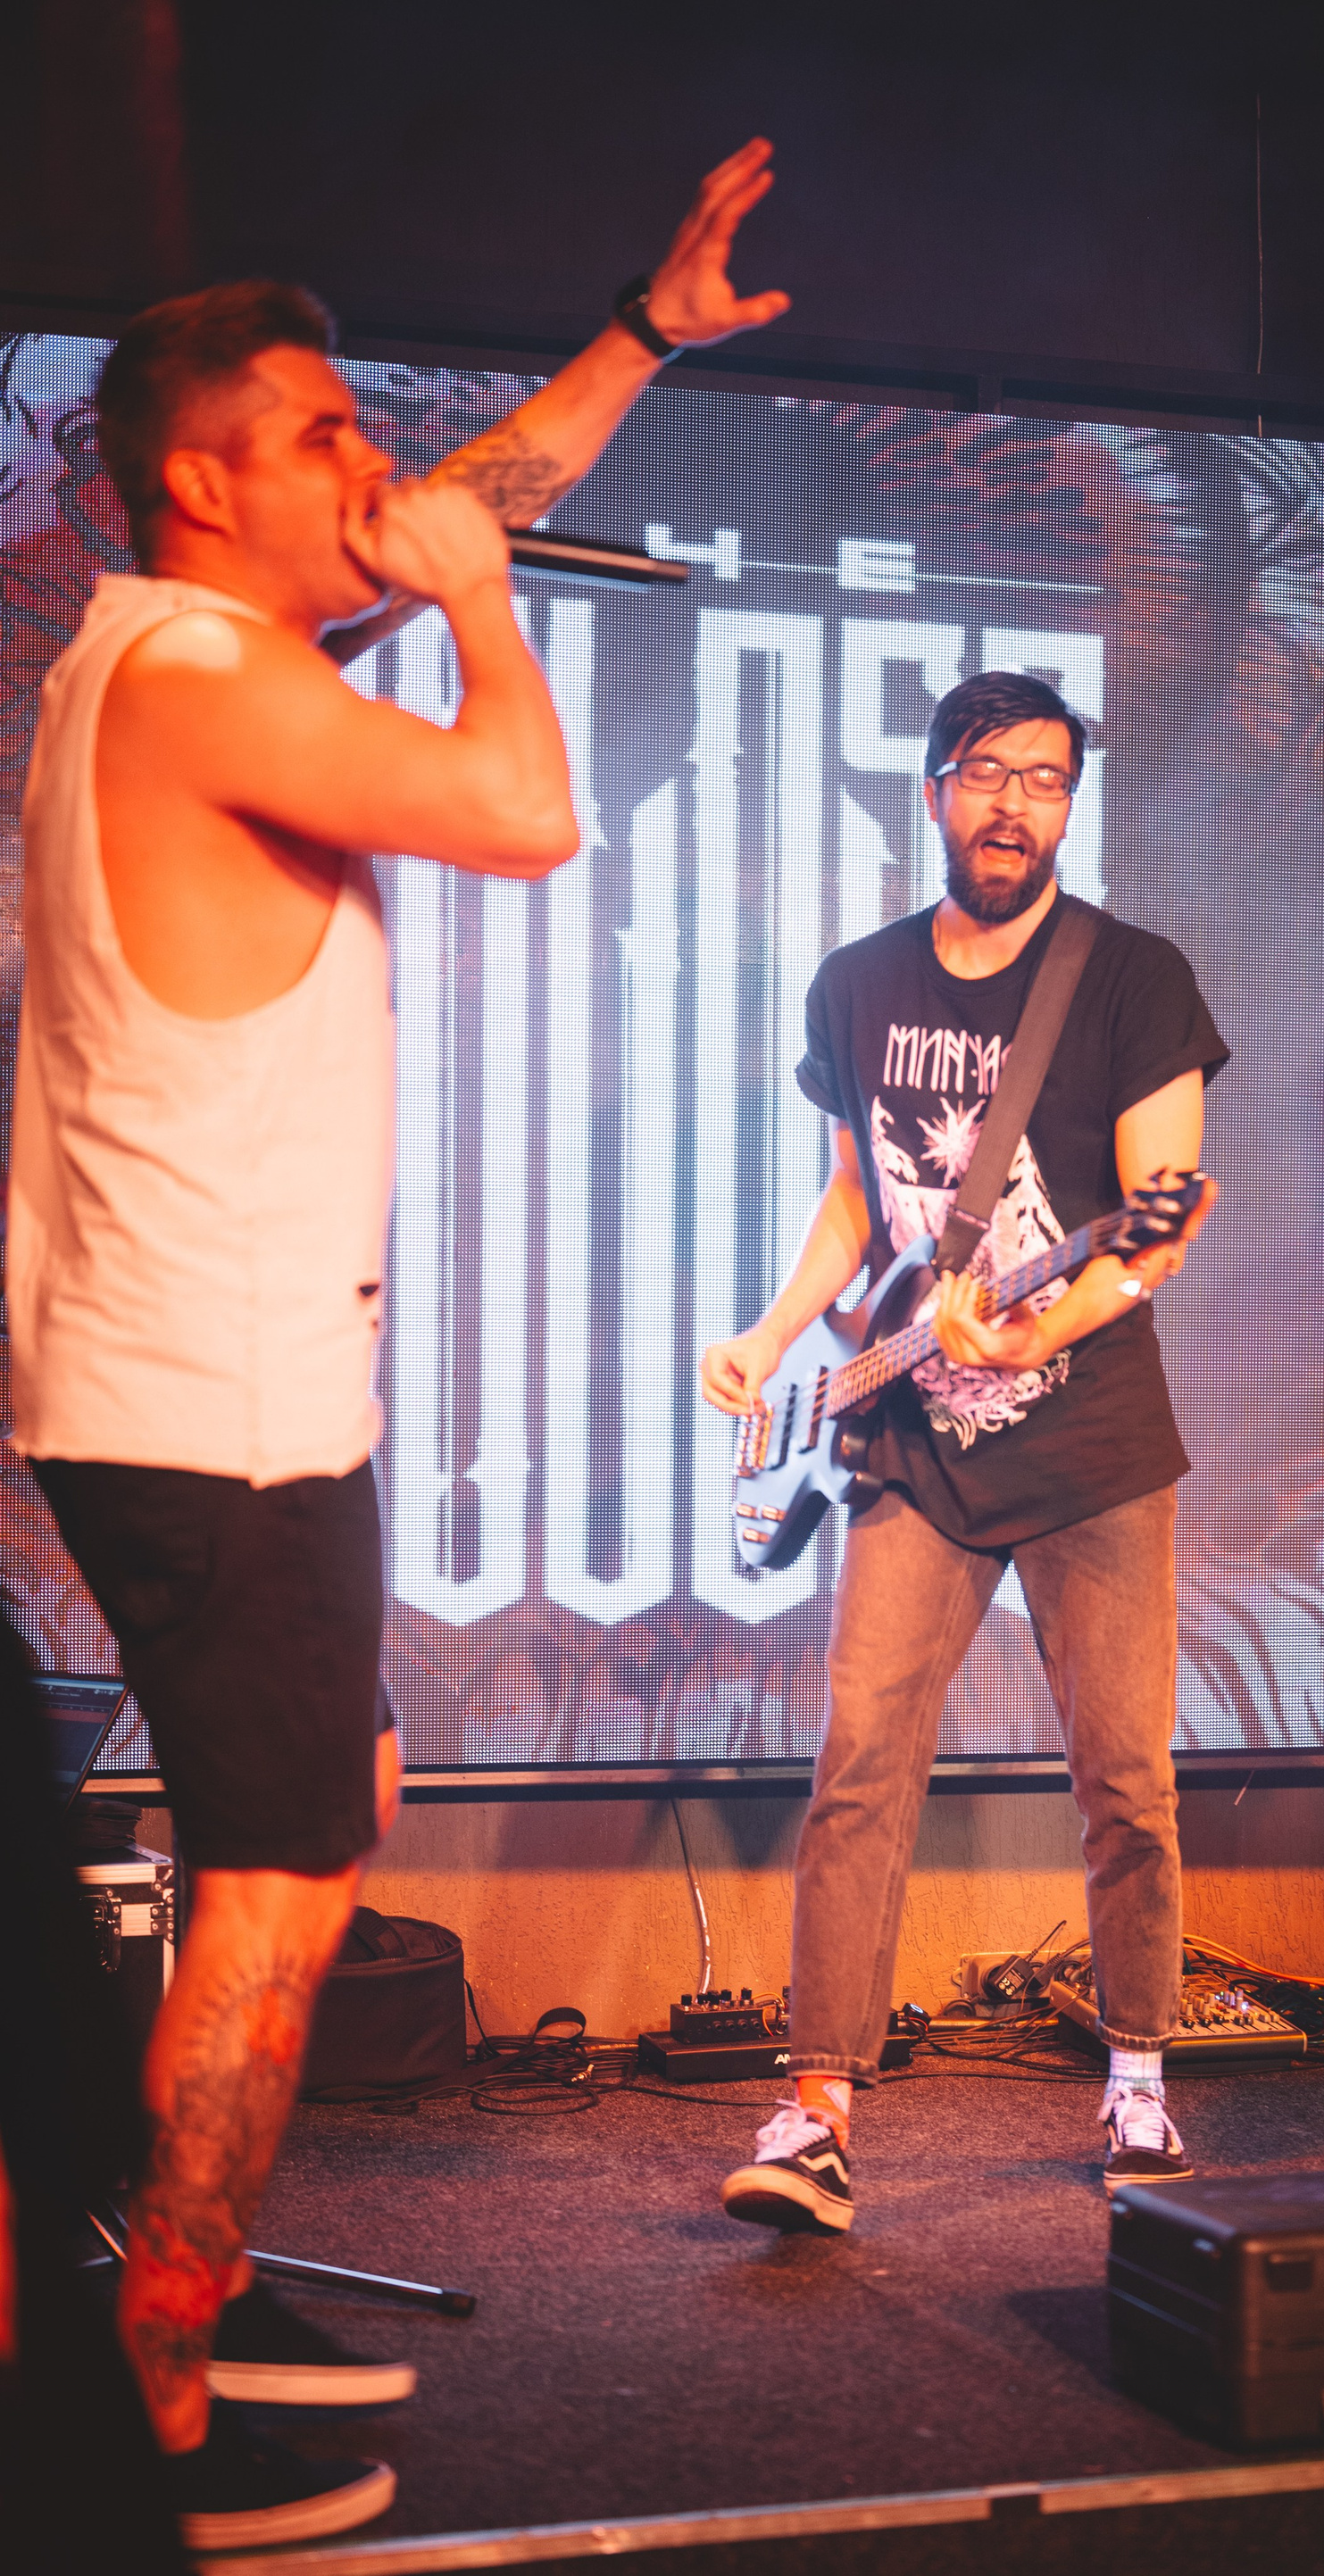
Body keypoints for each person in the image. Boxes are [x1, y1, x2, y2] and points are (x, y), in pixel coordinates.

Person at [12, 140, 787, 2547]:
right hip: (217, 1412)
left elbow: (477, 488)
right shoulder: (203, 673)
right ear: (201, 481)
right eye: (327, 433)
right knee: (279, 1890)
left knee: (322, 1807)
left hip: (223, 1397)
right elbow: (529, 811)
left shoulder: (181, 647)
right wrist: (481, 609)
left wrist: (639, 335)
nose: (376, 465)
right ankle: (154, 2393)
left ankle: (188, 2280)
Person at [701, 671, 1225, 2233]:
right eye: (988, 772)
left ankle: (1138, 2072)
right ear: (933, 786)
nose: (1015, 805)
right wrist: (775, 1330)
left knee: (1126, 1779)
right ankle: (815, 2113)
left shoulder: (1132, 979)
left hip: (1092, 1443)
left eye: (1046, 780)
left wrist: (1034, 1330)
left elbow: (1157, 1224)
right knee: (861, 1763)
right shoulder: (859, 983)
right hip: (912, 1436)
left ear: (1071, 804)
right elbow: (858, 1193)